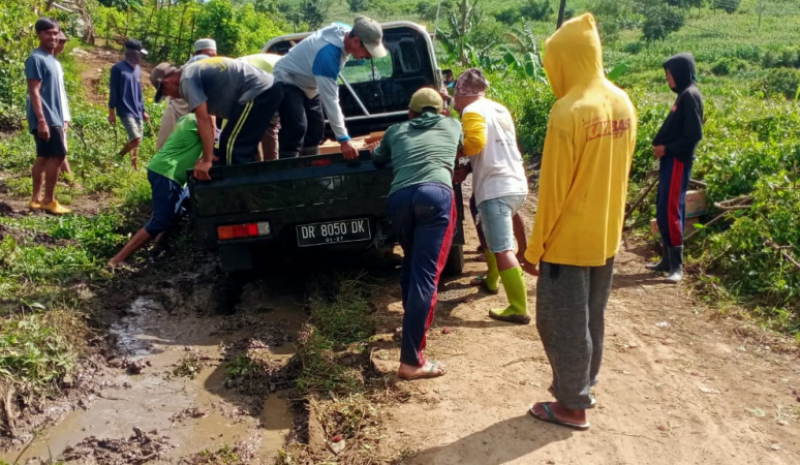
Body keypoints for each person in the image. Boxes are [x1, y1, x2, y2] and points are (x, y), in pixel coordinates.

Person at [522, 14, 637, 431]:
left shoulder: (568, 110)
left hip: (567, 244)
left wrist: (534, 250)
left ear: (566, 60)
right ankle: (584, 384)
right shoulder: (622, 101)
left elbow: (552, 194)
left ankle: (572, 405)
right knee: (591, 317)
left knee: (561, 322)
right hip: (606, 237)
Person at [370, 88, 462, 380]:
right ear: (440, 111)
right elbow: (463, 145)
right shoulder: (452, 124)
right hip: (436, 195)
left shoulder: (395, 131)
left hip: (400, 198)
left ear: (410, 111)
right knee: (427, 275)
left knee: (411, 266)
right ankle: (412, 361)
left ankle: (410, 329)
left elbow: (376, 158)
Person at [453, 68, 530, 325]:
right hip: (515, 182)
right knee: (493, 237)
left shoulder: (472, 111)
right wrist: (470, 166)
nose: (455, 103)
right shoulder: (498, 108)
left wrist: (454, 153)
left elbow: (474, 144)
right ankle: (492, 279)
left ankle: (518, 307)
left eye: (455, 96)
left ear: (463, 94)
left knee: (502, 248)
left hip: (496, 187)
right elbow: (496, 148)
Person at [149, 57, 283, 180]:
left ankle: (238, 197)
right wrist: (210, 154)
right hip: (269, 87)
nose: (173, 97)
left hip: (259, 91)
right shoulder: (194, 70)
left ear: (166, 82)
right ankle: (257, 189)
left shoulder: (187, 80)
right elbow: (210, 118)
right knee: (242, 146)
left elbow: (203, 119)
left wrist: (207, 161)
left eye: (166, 94)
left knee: (232, 145)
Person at [273, 16, 387, 160]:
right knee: (297, 126)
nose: (368, 56)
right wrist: (344, 140)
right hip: (288, 78)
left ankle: (312, 172)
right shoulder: (327, 56)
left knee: (316, 129)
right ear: (356, 41)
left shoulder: (347, 32)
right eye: (368, 52)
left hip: (309, 83)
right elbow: (331, 101)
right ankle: (288, 175)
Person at [108, 114, 203, 268]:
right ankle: (116, 260)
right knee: (160, 220)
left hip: (164, 170)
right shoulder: (199, 121)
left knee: (180, 208)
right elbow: (218, 144)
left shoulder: (188, 117)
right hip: (167, 172)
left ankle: (157, 245)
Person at [648, 53, 704, 284]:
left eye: (669, 74)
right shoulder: (684, 95)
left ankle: (677, 266)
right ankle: (666, 260)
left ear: (680, 73)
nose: (667, 79)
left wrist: (667, 149)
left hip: (678, 161)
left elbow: (693, 136)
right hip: (670, 160)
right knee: (663, 207)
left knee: (672, 210)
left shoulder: (689, 96)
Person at [26, 17, 70, 215]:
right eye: (48, 33)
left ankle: (36, 199)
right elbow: (34, 91)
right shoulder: (36, 59)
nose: (53, 37)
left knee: (43, 156)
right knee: (58, 154)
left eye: (55, 33)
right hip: (46, 116)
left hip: (54, 116)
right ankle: (49, 200)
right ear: (39, 34)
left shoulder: (52, 59)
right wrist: (42, 120)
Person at [156, 38, 217, 150]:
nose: (211, 58)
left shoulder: (210, 73)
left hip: (193, 122)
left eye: (214, 55)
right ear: (195, 55)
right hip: (176, 115)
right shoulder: (189, 75)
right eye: (208, 54)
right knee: (164, 149)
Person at [109, 39, 150, 170]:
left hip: (137, 110)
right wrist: (111, 113)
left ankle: (127, 162)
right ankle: (126, 162)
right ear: (132, 53)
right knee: (136, 139)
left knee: (137, 141)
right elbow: (113, 91)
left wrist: (143, 110)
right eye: (139, 53)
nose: (141, 56)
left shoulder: (137, 69)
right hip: (125, 109)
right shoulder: (118, 68)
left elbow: (139, 92)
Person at [236, 53, 283, 161]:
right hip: (259, 83)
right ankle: (262, 163)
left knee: (269, 123)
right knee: (253, 124)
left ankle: (271, 164)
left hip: (269, 83)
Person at [53, 30, 72, 177]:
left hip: (61, 114)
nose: (62, 45)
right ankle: (69, 177)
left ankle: (62, 177)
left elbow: (61, 92)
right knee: (60, 149)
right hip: (53, 114)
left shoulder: (56, 64)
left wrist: (66, 115)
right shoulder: (44, 62)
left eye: (64, 42)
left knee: (59, 149)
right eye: (61, 42)